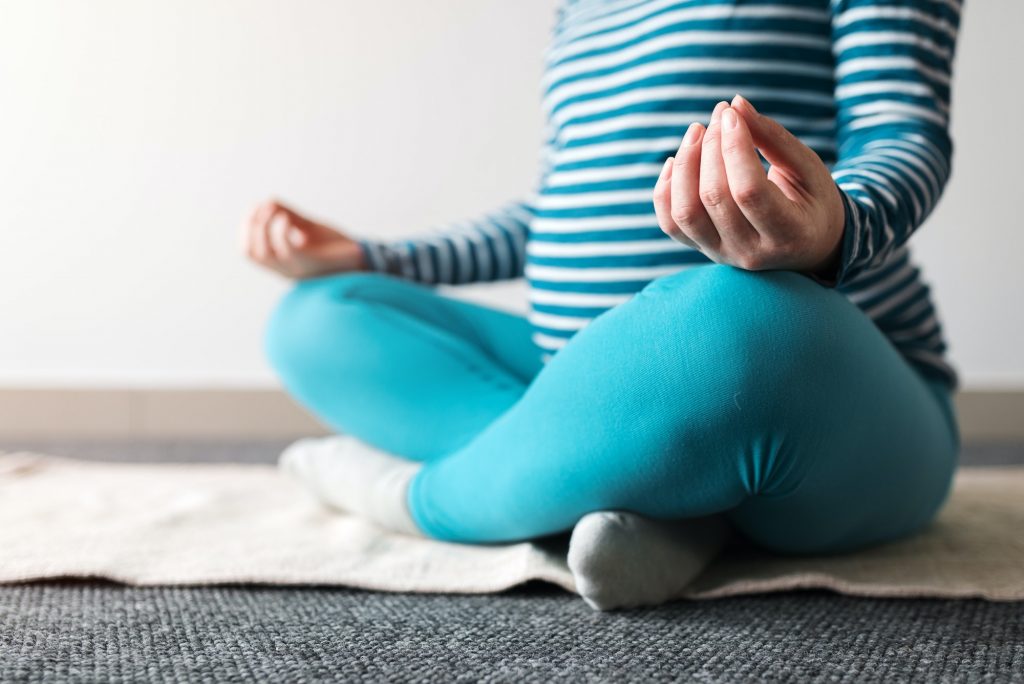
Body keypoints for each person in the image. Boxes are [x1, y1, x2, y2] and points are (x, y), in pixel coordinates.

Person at [242, 0, 962, 609]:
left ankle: (426, 499)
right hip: (580, 368)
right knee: (321, 316)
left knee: (744, 323)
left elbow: (904, 136)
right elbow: (558, 209)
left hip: (819, 389)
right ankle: (665, 499)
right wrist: (378, 258)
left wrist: (830, 228)